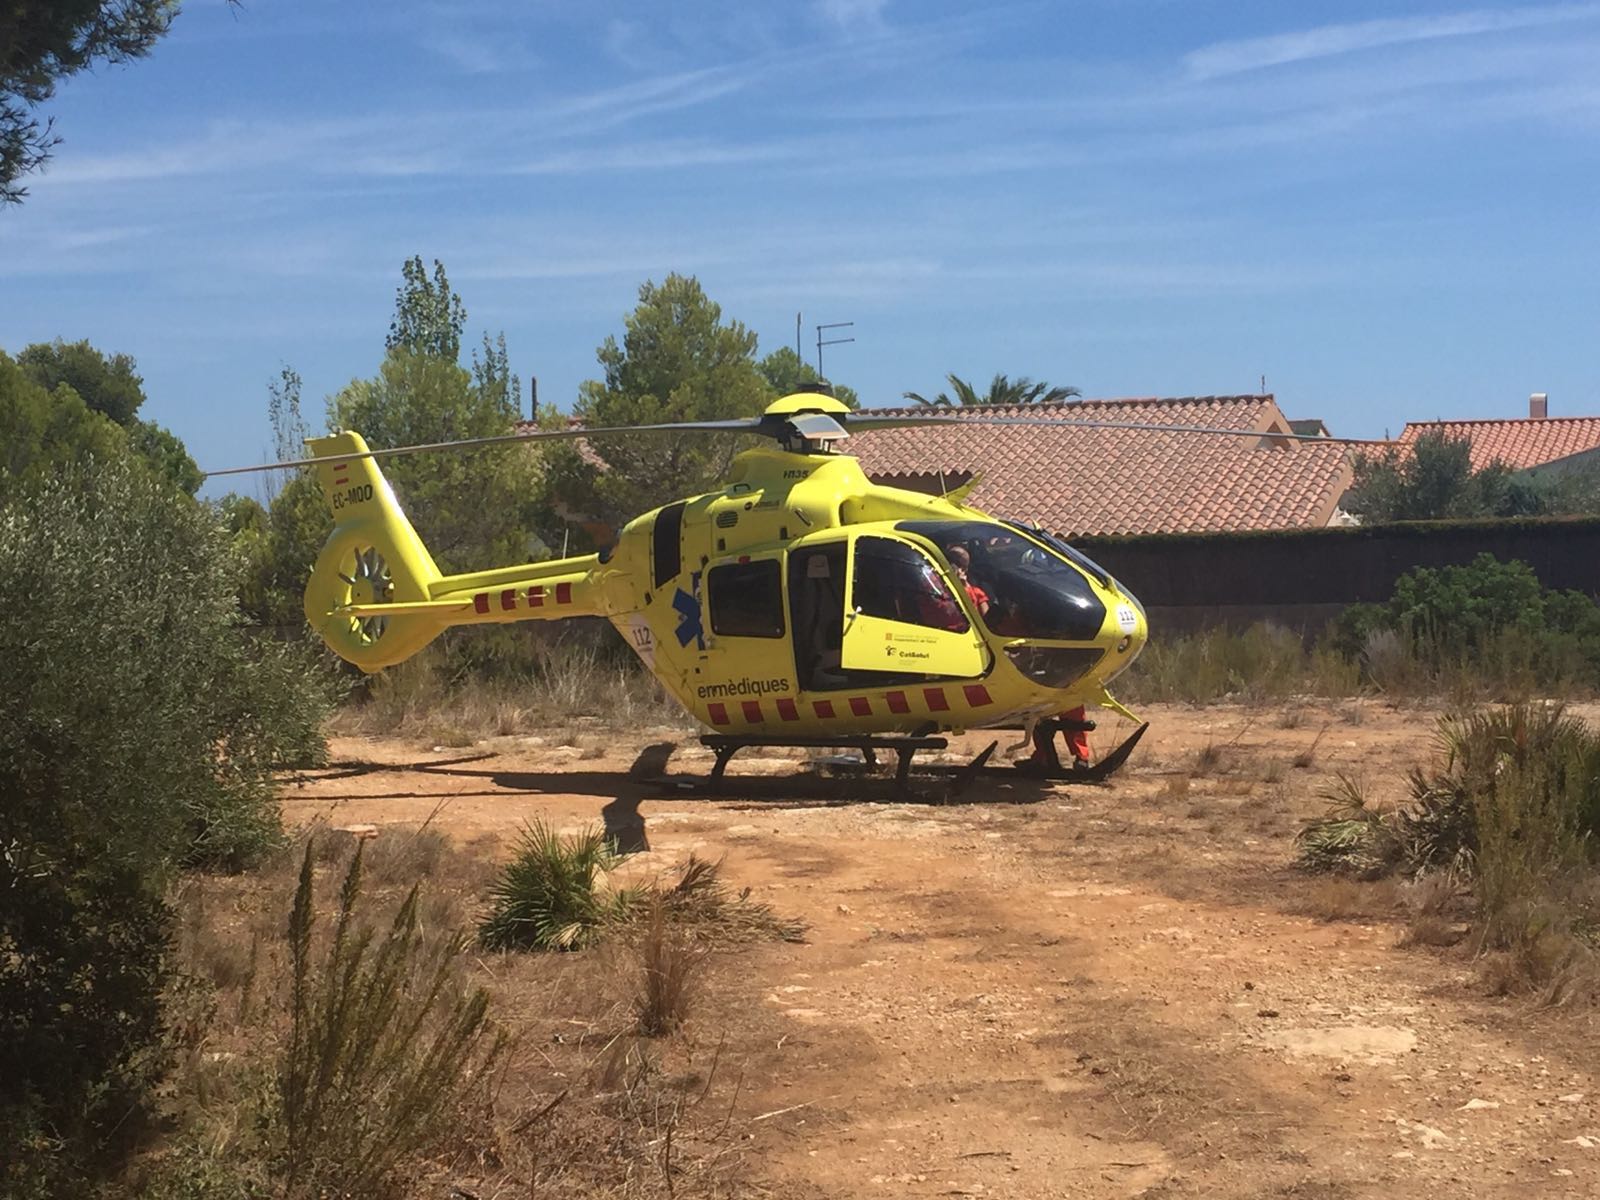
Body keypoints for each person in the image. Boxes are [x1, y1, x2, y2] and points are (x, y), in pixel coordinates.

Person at [945, 545, 989, 617]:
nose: (949, 565)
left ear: (963, 570)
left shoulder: (977, 593)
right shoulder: (936, 588)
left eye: (954, 563)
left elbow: (986, 621)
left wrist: (964, 589)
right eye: (948, 560)